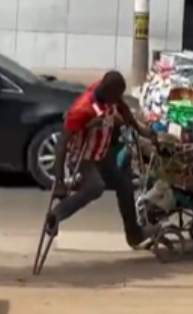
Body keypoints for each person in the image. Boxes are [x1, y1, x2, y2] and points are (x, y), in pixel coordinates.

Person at [45, 71, 159, 250]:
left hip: (102, 153)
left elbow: (122, 108)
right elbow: (62, 144)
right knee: (95, 187)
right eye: (116, 96)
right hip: (83, 157)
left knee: (126, 185)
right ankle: (55, 215)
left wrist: (139, 129)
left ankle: (134, 234)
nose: (118, 99)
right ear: (107, 92)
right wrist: (58, 180)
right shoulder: (82, 109)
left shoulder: (109, 95)